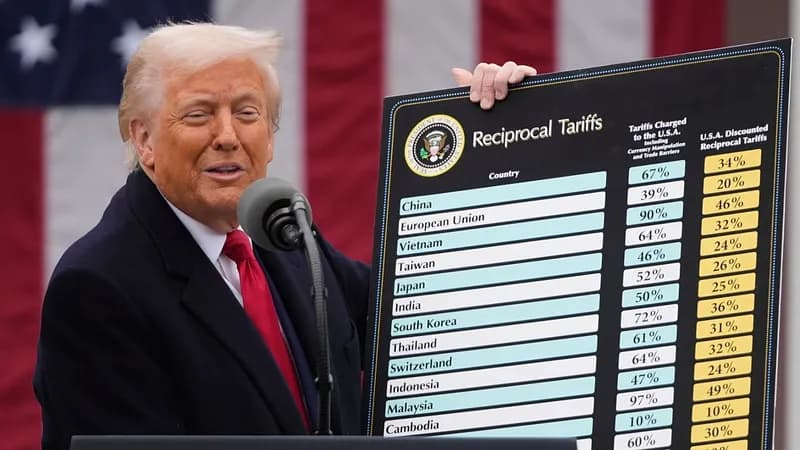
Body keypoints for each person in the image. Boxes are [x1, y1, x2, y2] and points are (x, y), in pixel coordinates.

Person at [32, 22, 536, 450]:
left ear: (270, 136)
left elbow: (424, 317)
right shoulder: (98, 288)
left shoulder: (283, 233)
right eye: (199, 114)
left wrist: (498, 139)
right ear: (144, 139)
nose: (227, 135)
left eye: (247, 113)